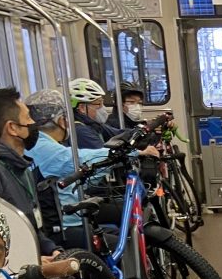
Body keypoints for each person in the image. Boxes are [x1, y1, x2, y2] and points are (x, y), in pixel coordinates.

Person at [24, 88, 159, 249]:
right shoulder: (45, 147)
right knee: (127, 247)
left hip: (66, 215)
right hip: (66, 225)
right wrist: (133, 152)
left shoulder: (39, 143)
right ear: (61, 121)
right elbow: (84, 158)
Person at [0, 86, 57, 256]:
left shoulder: (22, 167)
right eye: (28, 118)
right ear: (12, 128)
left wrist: (52, 250)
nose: (32, 123)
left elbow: (33, 226)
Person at [69, 77, 119, 148]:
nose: (103, 107)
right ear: (82, 108)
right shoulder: (81, 131)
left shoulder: (93, 124)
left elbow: (119, 133)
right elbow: (103, 155)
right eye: (99, 103)